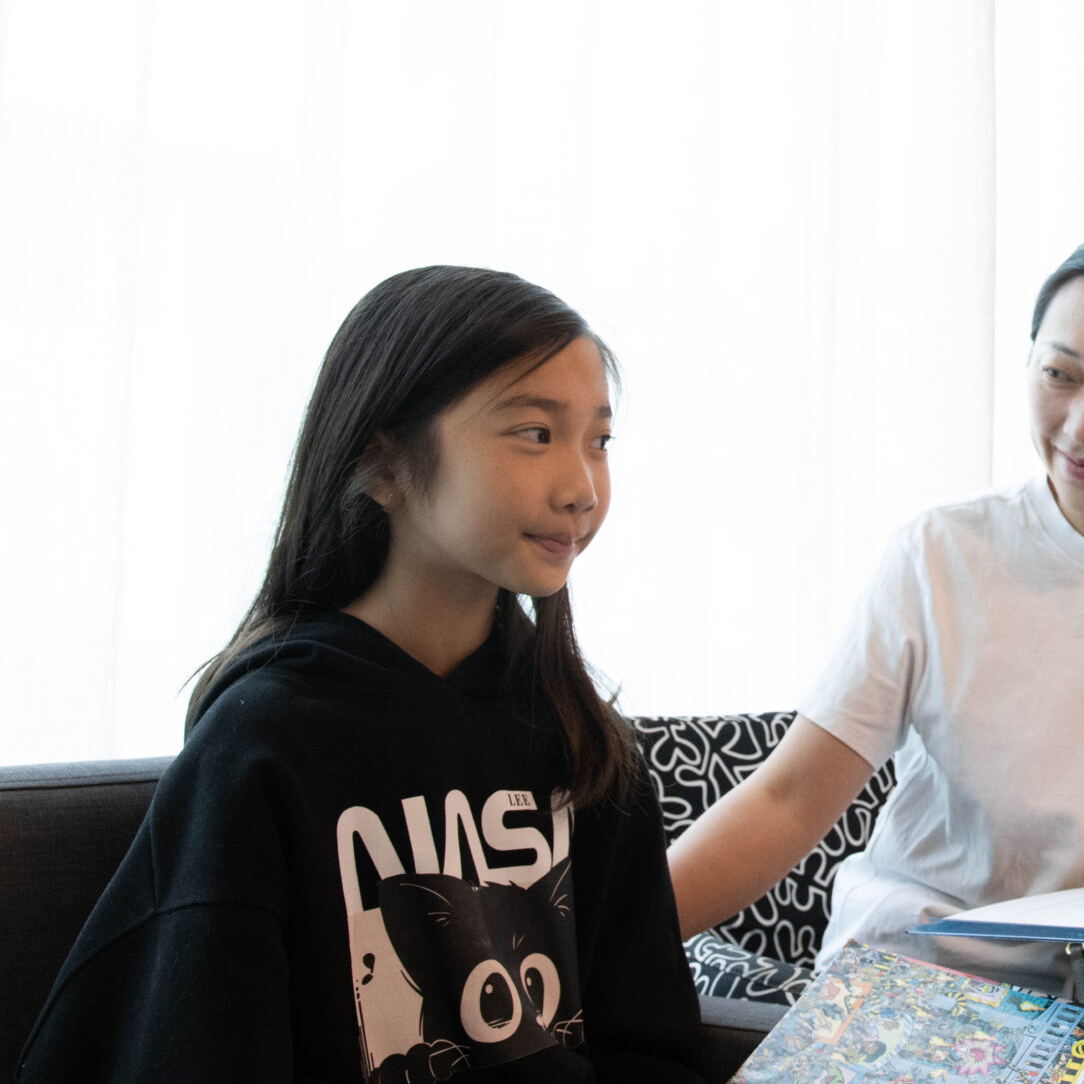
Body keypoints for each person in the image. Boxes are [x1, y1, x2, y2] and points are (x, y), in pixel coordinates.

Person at [19, 267, 703, 1083]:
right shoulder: (266, 741)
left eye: (599, 440)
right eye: (534, 433)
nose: (582, 488)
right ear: (384, 466)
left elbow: (652, 1044)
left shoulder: (582, 739)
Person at [666, 227, 1084, 1021]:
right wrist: (598, 948)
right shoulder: (942, 554)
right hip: (916, 984)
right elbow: (789, 798)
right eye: (1059, 375)